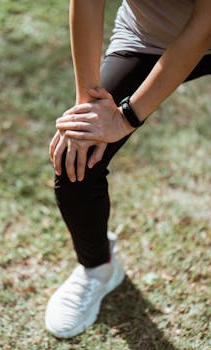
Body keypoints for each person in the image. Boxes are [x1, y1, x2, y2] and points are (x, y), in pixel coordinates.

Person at [45, 0, 211, 339]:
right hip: (148, 37)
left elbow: (205, 23)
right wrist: (88, 105)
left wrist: (126, 117)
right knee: (77, 154)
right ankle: (98, 268)